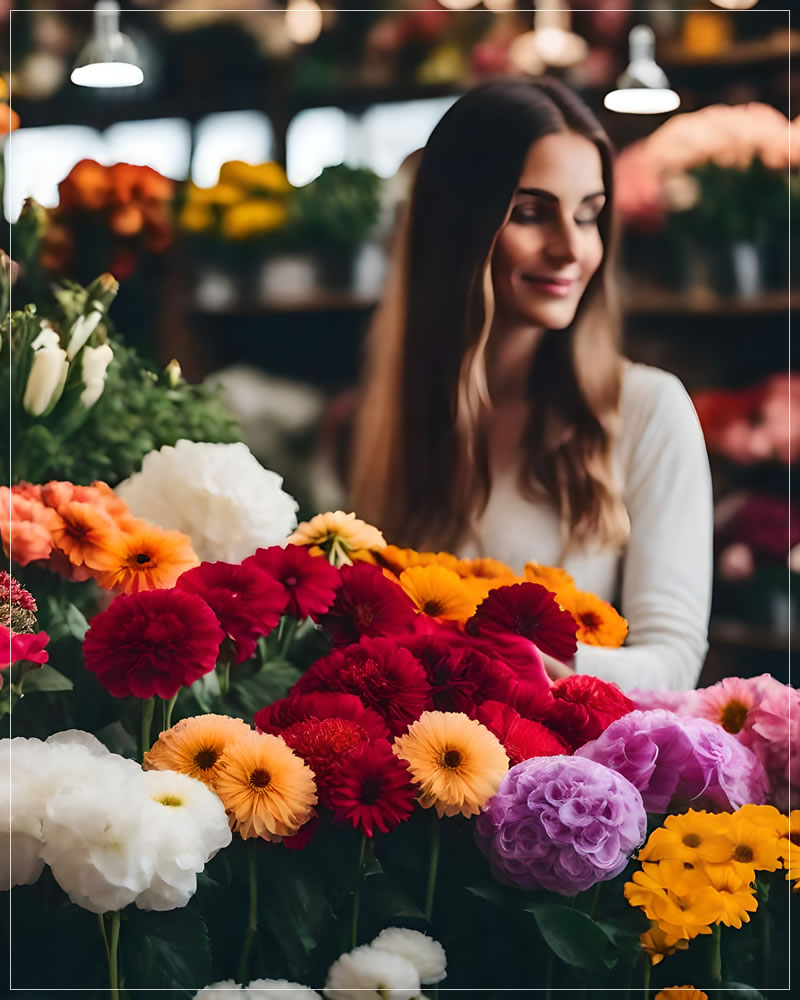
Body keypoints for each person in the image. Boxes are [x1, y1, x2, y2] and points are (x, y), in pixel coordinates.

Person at [348, 77, 713, 693]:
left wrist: (531, 665)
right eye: (530, 214)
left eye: (589, 215)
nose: (571, 248)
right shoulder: (397, 415)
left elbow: (676, 662)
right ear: (459, 228)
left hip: (575, 776)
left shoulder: (649, 410)